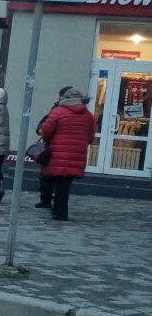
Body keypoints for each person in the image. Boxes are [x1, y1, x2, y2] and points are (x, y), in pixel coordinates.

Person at [37, 89, 95, 220]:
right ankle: (60, 211)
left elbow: (46, 131)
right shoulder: (88, 116)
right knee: (65, 184)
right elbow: (91, 137)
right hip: (76, 155)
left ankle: (58, 211)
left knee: (55, 181)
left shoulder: (57, 112)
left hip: (57, 153)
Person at [35, 86, 73, 209]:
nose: (59, 98)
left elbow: (46, 127)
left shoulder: (59, 110)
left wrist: (43, 131)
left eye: (60, 96)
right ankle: (55, 205)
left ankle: (50, 203)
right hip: (64, 149)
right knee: (59, 180)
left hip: (54, 147)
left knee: (50, 176)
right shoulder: (81, 112)